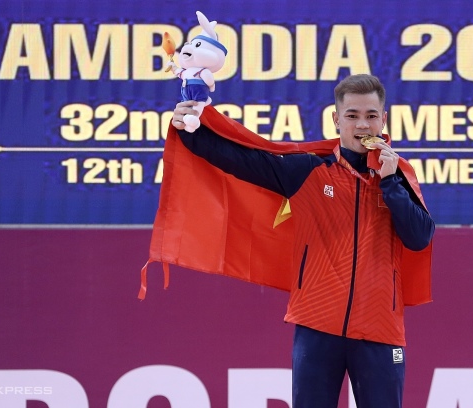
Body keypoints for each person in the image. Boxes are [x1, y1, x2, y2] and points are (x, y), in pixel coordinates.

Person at [170, 74, 435, 408]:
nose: (363, 125)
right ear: (336, 119)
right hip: (317, 324)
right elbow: (240, 159)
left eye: (371, 116)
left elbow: (419, 237)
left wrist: (390, 183)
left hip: (380, 329)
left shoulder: (397, 177)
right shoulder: (309, 171)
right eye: (352, 115)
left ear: (384, 120)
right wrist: (191, 129)